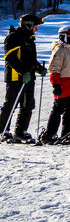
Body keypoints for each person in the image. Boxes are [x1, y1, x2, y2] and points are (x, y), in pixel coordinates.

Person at [42, 25, 70, 144]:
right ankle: (50, 134)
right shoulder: (60, 50)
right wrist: (56, 84)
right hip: (64, 86)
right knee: (58, 110)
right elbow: (53, 69)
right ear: (63, 37)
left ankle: (67, 135)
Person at [2, 13, 45, 143]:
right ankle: (3, 130)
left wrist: (39, 69)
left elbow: (30, 60)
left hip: (28, 77)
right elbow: (10, 58)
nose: (36, 28)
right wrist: (23, 72)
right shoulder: (14, 37)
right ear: (28, 25)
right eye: (35, 26)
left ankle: (20, 131)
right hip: (16, 77)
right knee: (11, 104)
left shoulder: (29, 39)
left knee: (28, 105)